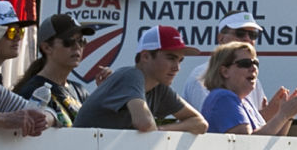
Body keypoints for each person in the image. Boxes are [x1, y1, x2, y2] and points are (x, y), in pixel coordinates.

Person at [73, 26, 208, 133]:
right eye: (171, 58)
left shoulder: (159, 87)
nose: (177, 68)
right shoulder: (131, 75)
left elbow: (200, 123)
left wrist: (162, 130)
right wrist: (159, 132)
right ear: (145, 56)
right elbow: (145, 124)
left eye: (180, 61)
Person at [198, 40, 297, 135]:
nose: (253, 68)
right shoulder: (223, 98)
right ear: (225, 71)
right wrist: (283, 115)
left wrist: (290, 114)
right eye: (245, 63)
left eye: (256, 63)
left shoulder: (244, 102)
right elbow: (248, 143)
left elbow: (271, 139)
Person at [13, 13, 100, 127]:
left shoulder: (80, 91)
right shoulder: (33, 91)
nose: (77, 47)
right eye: (68, 41)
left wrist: (105, 91)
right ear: (47, 48)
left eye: (81, 41)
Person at [182, 13, 266, 113]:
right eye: (240, 33)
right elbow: (216, 124)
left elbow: (258, 126)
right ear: (220, 38)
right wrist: (280, 113)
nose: (247, 39)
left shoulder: (252, 79)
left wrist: (285, 115)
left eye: (253, 35)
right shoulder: (202, 75)